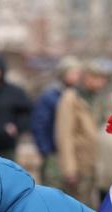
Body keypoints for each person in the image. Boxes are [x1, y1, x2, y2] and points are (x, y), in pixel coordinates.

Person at [55, 60, 111, 207]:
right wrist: (69, 168)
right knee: (78, 206)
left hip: (94, 163)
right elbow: (64, 135)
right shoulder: (70, 98)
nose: (102, 82)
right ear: (87, 77)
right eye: (98, 78)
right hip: (79, 164)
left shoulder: (97, 98)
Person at [31, 56, 82, 189]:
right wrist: (46, 150)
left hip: (72, 154)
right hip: (54, 153)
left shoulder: (77, 95)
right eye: (73, 73)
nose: (77, 76)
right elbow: (40, 125)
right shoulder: (50, 96)